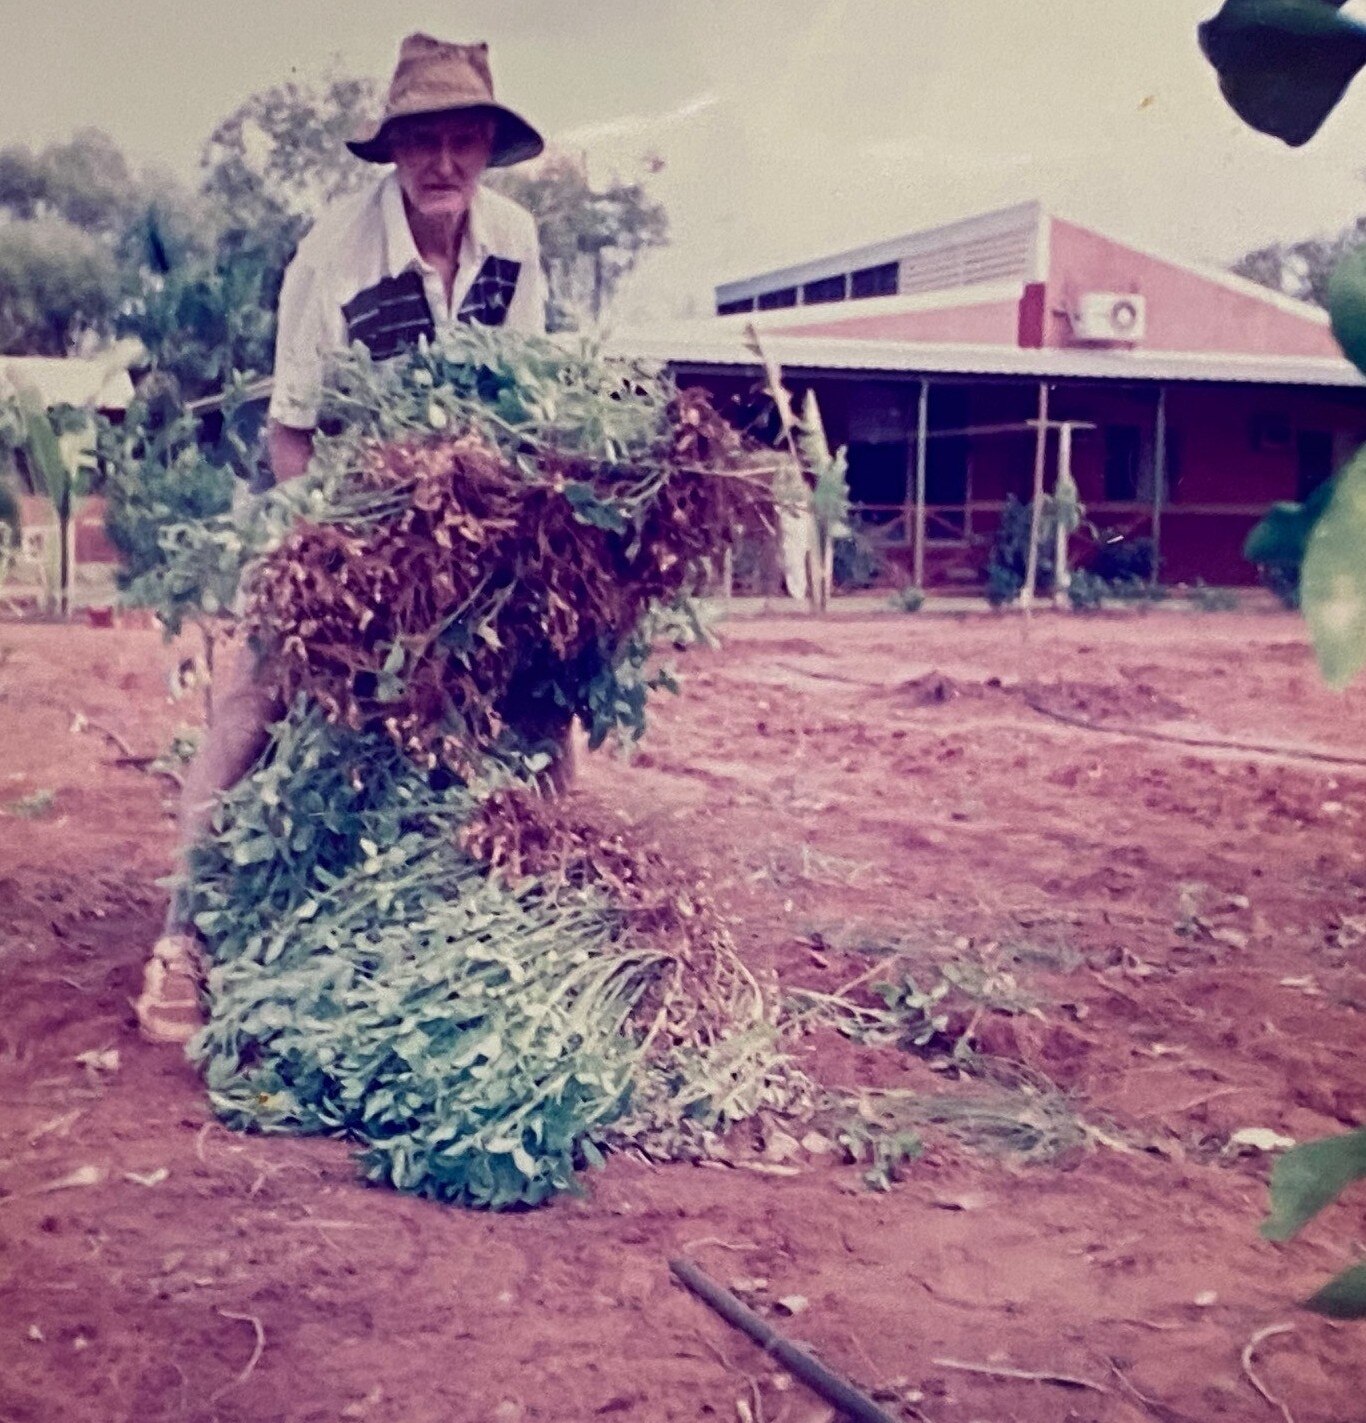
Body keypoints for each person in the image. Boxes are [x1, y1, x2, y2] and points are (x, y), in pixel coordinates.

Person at [135, 34, 548, 1044]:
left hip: (475, 516)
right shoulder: (331, 257)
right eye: (422, 143)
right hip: (344, 512)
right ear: (392, 152)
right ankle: (182, 936)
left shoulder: (516, 244)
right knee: (257, 688)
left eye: (462, 141)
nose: (442, 163)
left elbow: (525, 400)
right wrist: (341, 554)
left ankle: (540, 900)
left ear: (488, 147)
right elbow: (291, 430)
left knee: (545, 683)